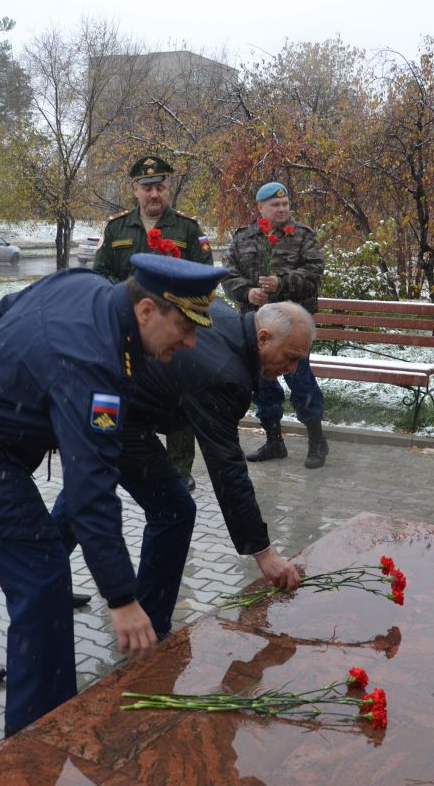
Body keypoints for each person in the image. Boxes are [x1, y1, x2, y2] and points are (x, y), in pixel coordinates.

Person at [0, 254, 230, 736]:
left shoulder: (86, 284)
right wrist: (121, 597)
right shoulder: (95, 362)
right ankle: (39, 739)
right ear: (145, 312)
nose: (192, 340)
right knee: (42, 573)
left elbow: (4, 308)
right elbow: (90, 487)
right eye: (184, 325)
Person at [58, 299, 310, 636]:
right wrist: (262, 552)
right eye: (291, 357)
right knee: (174, 511)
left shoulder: (224, 315)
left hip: (106, 396)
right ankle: (150, 628)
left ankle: (40, 573)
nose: (292, 369)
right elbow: (227, 467)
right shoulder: (226, 375)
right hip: (111, 410)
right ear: (263, 337)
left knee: (84, 493)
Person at [94, 154, 215, 492]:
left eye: (160, 186)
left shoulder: (187, 229)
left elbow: (205, 275)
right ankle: (126, 456)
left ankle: (179, 470)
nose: (154, 194)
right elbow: (100, 273)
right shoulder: (116, 227)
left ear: (168, 188)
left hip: (170, 331)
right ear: (135, 190)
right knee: (124, 393)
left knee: (179, 397)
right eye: (146, 187)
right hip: (128, 330)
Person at [222, 181, 329, 468]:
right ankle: (274, 441)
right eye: (275, 205)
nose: (282, 209)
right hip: (258, 328)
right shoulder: (244, 238)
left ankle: (317, 441)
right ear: (260, 208)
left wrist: (283, 282)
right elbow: (228, 273)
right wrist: (247, 292)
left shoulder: (303, 236)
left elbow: (315, 272)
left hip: (292, 327)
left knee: (301, 382)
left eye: (285, 204)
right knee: (263, 386)